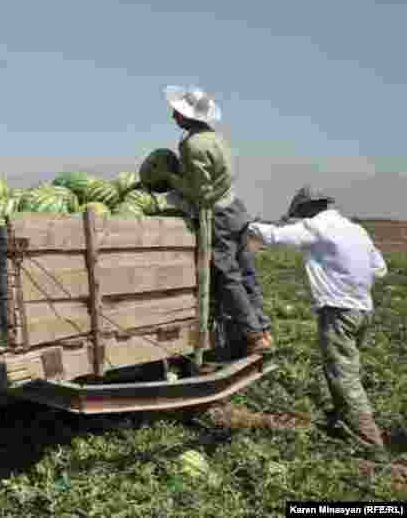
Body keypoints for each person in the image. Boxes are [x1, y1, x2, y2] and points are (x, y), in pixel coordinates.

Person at [248, 186, 389, 459]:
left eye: (300, 215)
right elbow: (380, 269)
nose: (300, 220)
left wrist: (246, 224)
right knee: (343, 367)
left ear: (308, 209)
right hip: (363, 310)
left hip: (338, 311)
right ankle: (342, 419)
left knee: (343, 374)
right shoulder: (355, 229)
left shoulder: (316, 226)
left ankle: (369, 441)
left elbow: (275, 235)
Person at [161, 85, 272, 357]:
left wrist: (170, 179)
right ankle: (264, 329)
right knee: (246, 273)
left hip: (219, 216)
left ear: (189, 116)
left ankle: (254, 335)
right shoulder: (216, 138)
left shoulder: (192, 145)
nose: (173, 114)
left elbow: (200, 192)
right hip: (236, 209)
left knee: (227, 276)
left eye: (177, 111)